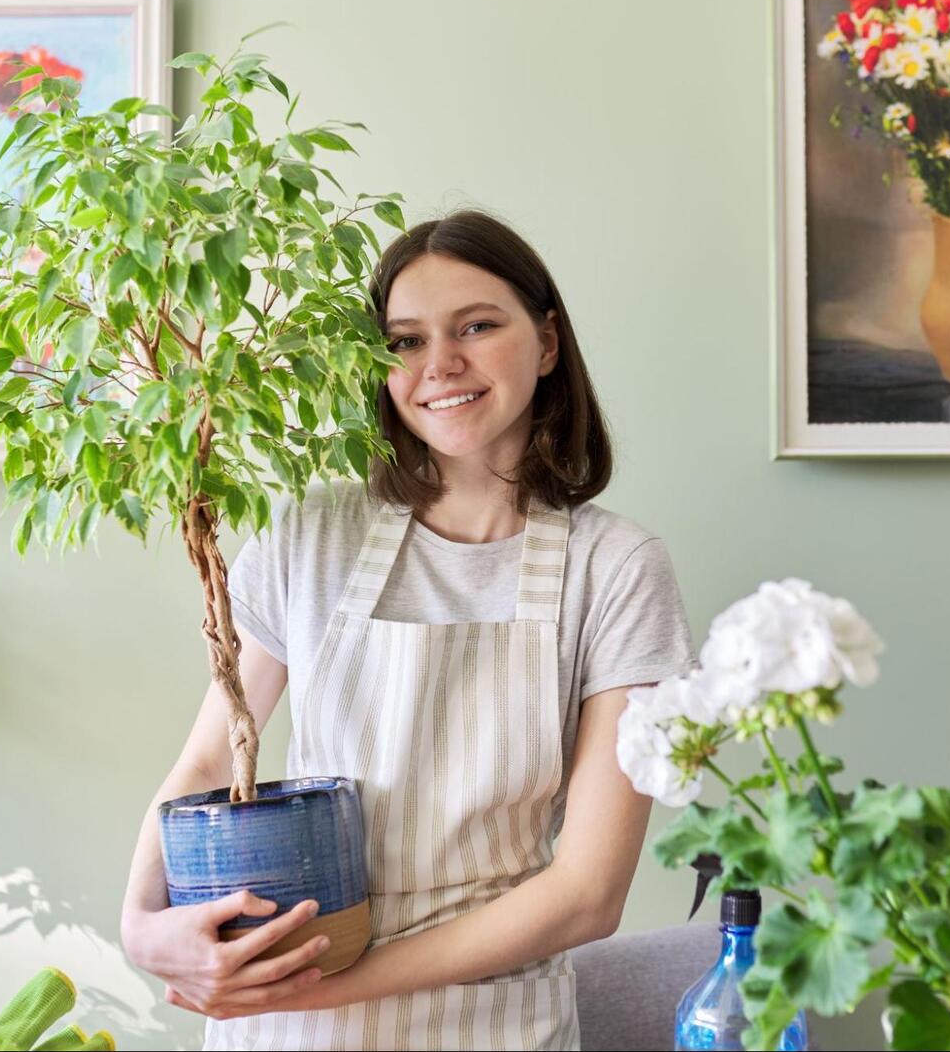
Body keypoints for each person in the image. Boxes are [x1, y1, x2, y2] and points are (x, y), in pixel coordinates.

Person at [120, 209, 695, 1050]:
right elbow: (211, 759)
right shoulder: (309, 534)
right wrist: (141, 927)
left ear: (546, 342)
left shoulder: (617, 568)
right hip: (283, 1025)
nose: (441, 365)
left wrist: (322, 990)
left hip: (487, 1024)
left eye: (476, 326)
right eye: (405, 341)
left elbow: (587, 893)